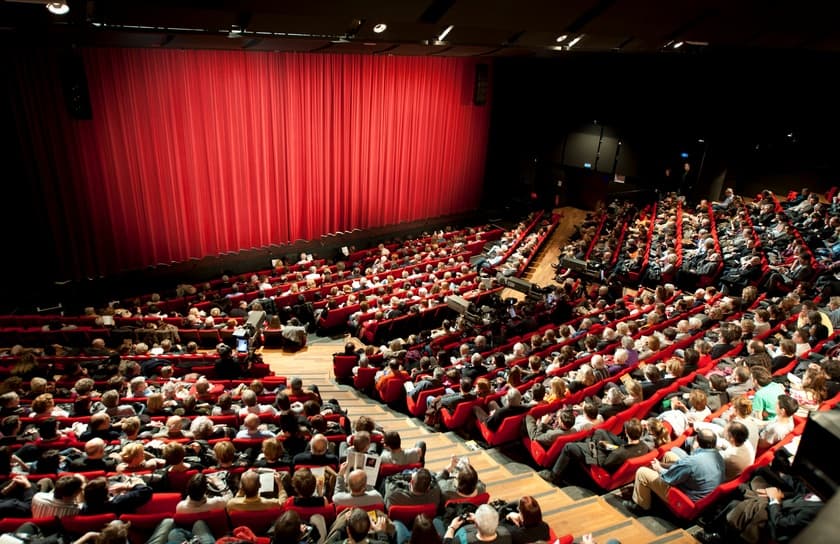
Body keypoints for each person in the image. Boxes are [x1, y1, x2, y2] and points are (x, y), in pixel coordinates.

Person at [624, 428, 724, 514]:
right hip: (701, 495)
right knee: (669, 455)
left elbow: (669, 479)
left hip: (685, 499)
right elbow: (684, 467)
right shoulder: (719, 457)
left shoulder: (692, 461)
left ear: (697, 442)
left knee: (642, 472)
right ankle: (650, 491)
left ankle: (641, 506)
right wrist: (662, 465)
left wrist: (659, 468)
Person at [445, 503, 512, 544]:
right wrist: (478, 519)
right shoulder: (506, 533)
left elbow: (446, 542)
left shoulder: (462, 540)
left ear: (475, 525)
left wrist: (452, 528)